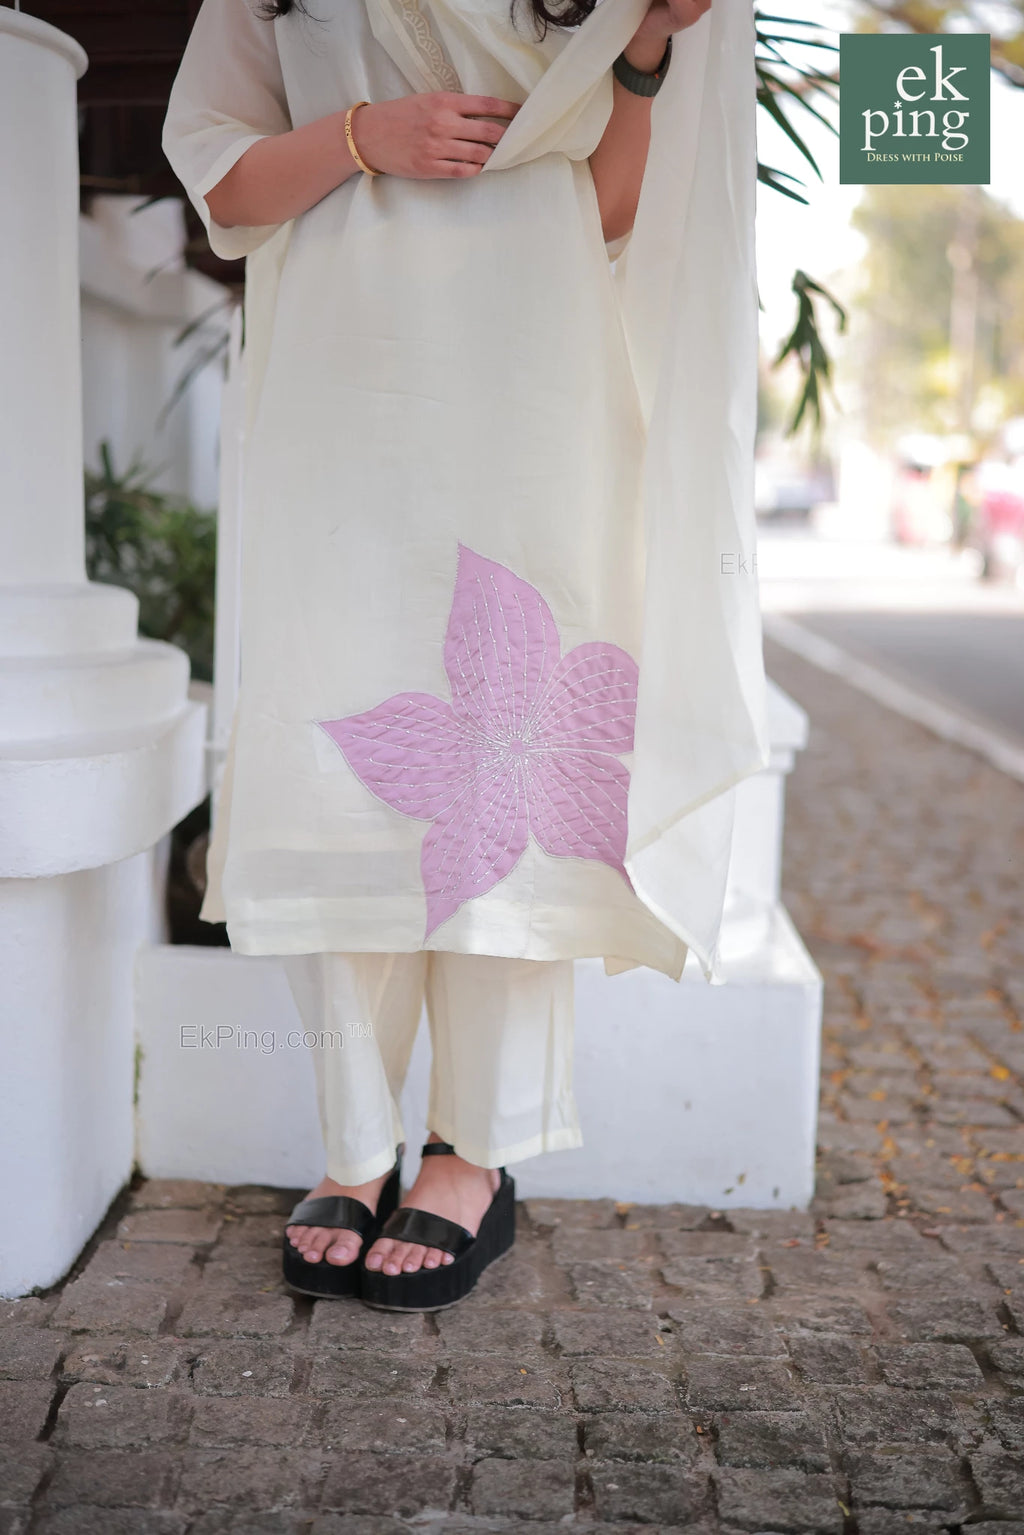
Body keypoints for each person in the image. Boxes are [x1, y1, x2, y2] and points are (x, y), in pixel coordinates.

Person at [162, 0, 768, 1311]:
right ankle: (351, 1143)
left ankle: (469, 1152)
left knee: (510, 763)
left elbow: (608, 210)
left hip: (528, 389)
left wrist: (649, 51)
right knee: (342, 755)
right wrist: (364, 134)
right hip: (342, 386)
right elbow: (219, 176)